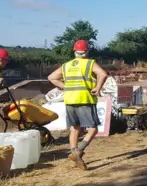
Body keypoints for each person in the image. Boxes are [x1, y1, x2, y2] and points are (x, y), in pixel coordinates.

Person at [47, 40, 109, 170]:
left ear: (74, 51)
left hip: (70, 99)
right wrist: (98, 87)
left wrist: (66, 87)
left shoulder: (66, 65)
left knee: (75, 128)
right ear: (87, 51)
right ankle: (78, 152)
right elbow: (103, 74)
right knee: (93, 129)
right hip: (85, 99)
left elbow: (52, 77)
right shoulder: (89, 63)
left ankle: (74, 153)